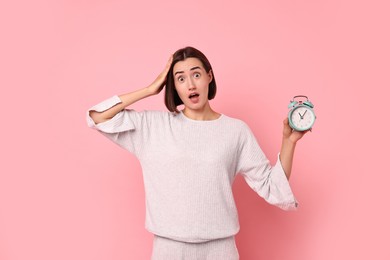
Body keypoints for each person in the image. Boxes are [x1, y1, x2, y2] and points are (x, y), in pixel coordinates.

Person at [86, 46, 306, 260]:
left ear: (209, 76)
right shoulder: (154, 127)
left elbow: (271, 184)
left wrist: (289, 142)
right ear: (174, 86)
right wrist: (149, 89)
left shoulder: (235, 131)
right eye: (180, 78)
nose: (190, 84)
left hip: (220, 249)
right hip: (169, 248)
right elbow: (97, 117)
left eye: (196, 74)